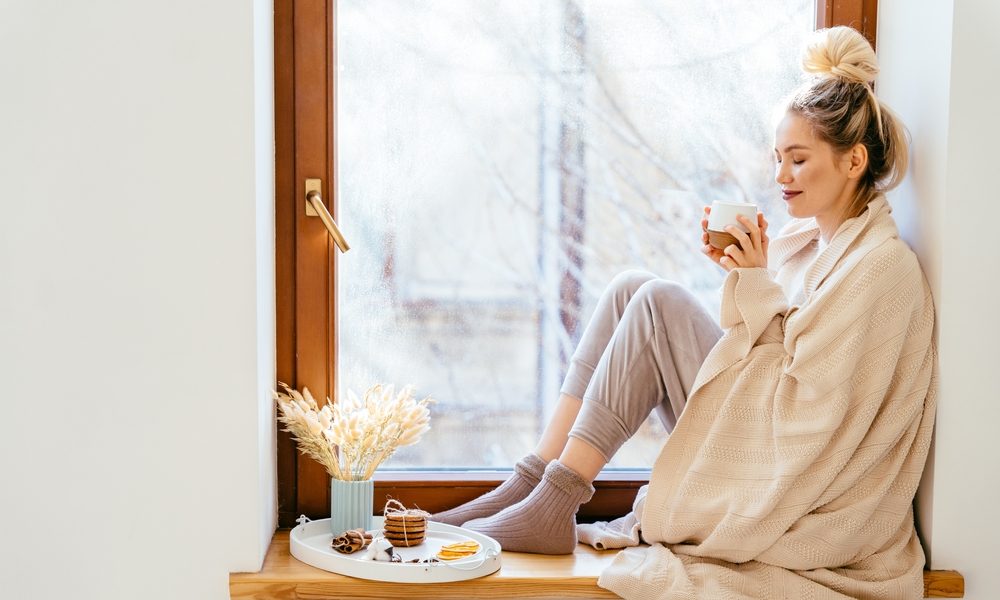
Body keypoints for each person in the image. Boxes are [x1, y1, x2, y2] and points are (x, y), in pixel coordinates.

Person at [433, 26, 936, 599]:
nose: (780, 177)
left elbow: (809, 413)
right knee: (631, 287)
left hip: (791, 476)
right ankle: (529, 486)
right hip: (760, 428)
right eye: (777, 158)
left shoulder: (880, 267)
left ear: (854, 161)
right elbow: (768, 350)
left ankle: (554, 501)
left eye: (798, 160)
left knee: (657, 303)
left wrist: (753, 283)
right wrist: (747, 277)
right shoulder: (809, 245)